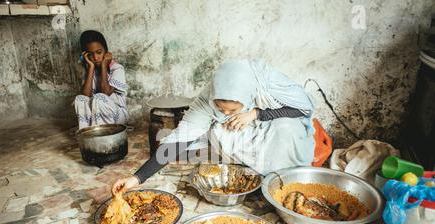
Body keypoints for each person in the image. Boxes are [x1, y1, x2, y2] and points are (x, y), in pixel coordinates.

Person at [112, 59, 317, 195]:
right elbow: (179, 141)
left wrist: (256, 113)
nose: (225, 113)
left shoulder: (268, 83)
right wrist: (137, 178)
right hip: (247, 127)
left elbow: (302, 109)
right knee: (220, 130)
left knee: (285, 130)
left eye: (232, 109)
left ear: (246, 97)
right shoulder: (208, 98)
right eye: (221, 108)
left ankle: (280, 178)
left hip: (275, 123)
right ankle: (254, 174)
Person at [74, 30, 129, 129]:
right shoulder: (89, 70)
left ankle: (105, 136)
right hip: (96, 116)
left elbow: (105, 92)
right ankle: (88, 134)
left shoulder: (117, 68)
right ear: (85, 55)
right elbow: (85, 95)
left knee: (99, 98)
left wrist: (104, 65)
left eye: (99, 52)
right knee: (79, 99)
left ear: (106, 52)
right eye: (91, 54)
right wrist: (91, 67)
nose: (95, 57)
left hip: (117, 116)